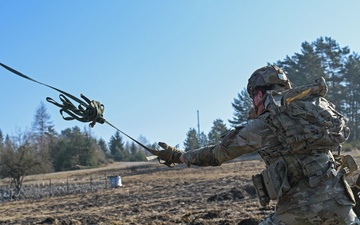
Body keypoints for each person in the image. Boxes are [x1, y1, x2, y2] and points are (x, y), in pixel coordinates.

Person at [154, 65, 360, 225]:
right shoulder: (314, 109)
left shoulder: (264, 123)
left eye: (253, 96)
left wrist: (179, 156)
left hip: (298, 211)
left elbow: (216, 155)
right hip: (341, 204)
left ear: (259, 94)